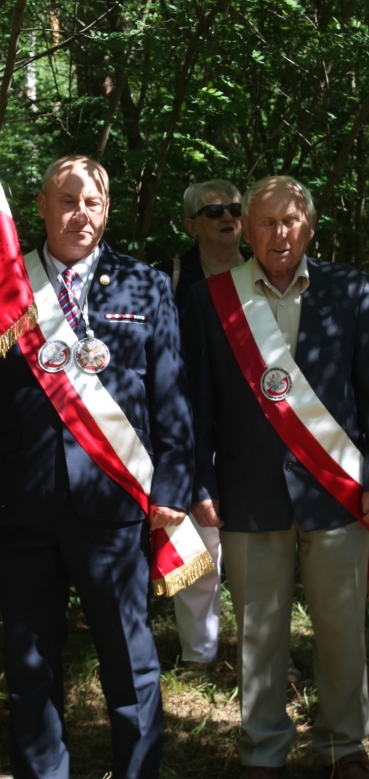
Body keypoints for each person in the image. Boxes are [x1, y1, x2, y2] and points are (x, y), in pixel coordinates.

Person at [0, 155, 194, 779]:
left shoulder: (144, 284)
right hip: (23, 503)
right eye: (67, 200)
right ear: (42, 207)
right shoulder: (1, 283)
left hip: (113, 503)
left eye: (92, 202)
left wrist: (173, 485)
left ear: (107, 211)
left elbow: (171, 393)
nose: (80, 214)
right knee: (29, 664)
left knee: (130, 662)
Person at [184, 175, 369, 779]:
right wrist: (200, 482)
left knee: (342, 630)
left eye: (290, 220)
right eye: (266, 222)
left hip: (338, 491)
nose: (279, 233)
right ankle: (263, 751)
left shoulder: (351, 290)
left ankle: (345, 746)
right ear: (246, 230)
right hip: (248, 492)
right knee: (259, 636)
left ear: (309, 225)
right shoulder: (211, 299)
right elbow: (196, 405)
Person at [156, 179, 248, 674]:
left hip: (254, 434)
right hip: (189, 428)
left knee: (260, 554)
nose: (228, 217)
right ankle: (199, 655)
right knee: (199, 544)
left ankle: (266, 653)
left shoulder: (264, 273)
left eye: (234, 208)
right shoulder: (168, 280)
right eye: (214, 211)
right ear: (192, 225)